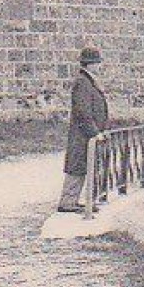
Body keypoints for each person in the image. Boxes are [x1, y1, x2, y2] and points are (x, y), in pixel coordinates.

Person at [56, 47, 110, 214]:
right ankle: (67, 202)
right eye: (97, 63)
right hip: (82, 134)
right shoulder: (83, 82)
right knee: (77, 165)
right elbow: (83, 111)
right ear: (90, 64)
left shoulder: (88, 81)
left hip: (86, 134)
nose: (99, 66)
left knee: (83, 165)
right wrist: (94, 132)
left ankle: (73, 201)